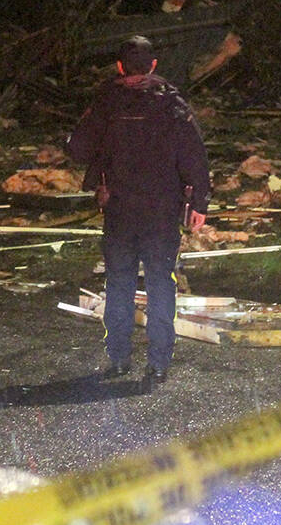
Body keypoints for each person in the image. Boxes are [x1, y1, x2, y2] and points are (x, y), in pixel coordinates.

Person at [67, 35, 210, 384]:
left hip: (119, 209)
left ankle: (118, 358)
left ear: (118, 67)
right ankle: (158, 362)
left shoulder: (106, 102)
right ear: (154, 65)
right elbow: (195, 155)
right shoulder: (172, 103)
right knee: (162, 282)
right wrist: (200, 203)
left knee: (119, 283)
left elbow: (77, 150)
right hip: (162, 209)